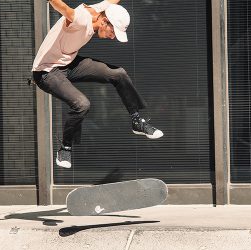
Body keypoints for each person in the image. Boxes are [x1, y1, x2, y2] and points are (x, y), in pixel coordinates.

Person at [32, 0, 163, 169]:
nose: (112, 36)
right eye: (112, 32)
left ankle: (136, 121)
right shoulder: (80, 19)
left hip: (68, 64)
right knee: (82, 104)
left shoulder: (100, 11)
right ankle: (65, 147)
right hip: (46, 71)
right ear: (104, 21)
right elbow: (63, 8)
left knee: (119, 74)